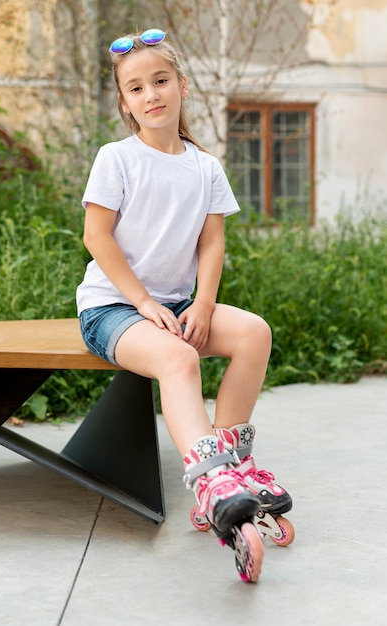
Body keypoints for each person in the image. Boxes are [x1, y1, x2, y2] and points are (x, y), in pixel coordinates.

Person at [76, 28, 292, 583]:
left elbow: (211, 242)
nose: (151, 95)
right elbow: (97, 238)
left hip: (176, 303)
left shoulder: (204, 167)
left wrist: (203, 301)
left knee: (254, 334)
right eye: (136, 88)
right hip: (114, 309)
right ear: (125, 102)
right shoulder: (116, 158)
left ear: (182, 87)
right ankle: (212, 483)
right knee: (179, 360)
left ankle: (233, 465)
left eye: (161, 81)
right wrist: (145, 303)